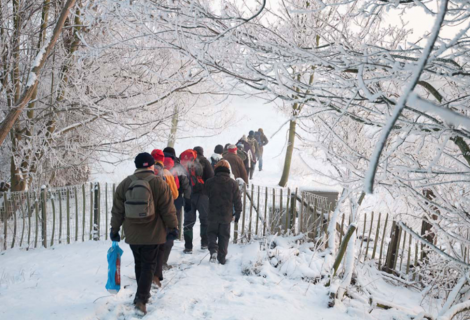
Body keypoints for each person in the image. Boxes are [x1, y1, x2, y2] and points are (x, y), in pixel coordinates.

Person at [110, 152, 178, 315]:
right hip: (153, 232)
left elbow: (117, 210)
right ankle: (141, 299)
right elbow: (168, 209)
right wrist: (173, 227)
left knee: (139, 262)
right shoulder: (159, 183)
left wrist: (114, 229)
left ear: (137, 165)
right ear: (151, 165)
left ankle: (139, 295)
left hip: (132, 232)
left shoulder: (125, 184)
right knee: (148, 265)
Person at [205, 160, 242, 264]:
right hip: (226, 215)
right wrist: (238, 212)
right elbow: (237, 200)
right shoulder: (232, 183)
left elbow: (206, 194)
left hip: (212, 213)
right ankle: (222, 258)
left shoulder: (210, 182)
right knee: (224, 236)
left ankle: (213, 251)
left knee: (211, 233)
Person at [181, 147, 214, 253]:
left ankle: (188, 247)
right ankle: (204, 243)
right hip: (203, 195)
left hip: (188, 195)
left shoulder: (185, 161)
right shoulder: (205, 161)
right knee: (205, 219)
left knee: (188, 221)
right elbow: (211, 178)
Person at [162, 147, 191, 265]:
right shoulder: (178, 166)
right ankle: (163, 261)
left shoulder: (156, 165)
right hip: (175, 202)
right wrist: (187, 200)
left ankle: (155, 262)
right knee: (171, 229)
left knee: (158, 231)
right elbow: (185, 184)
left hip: (158, 203)